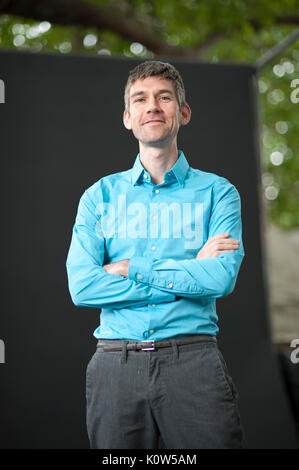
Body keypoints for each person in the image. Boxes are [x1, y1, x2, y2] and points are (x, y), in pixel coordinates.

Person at [66, 60, 246, 449]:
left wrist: (134, 269)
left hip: (194, 362)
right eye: (141, 99)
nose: (153, 106)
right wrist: (188, 273)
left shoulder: (219, 194)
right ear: (128, 118)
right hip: (116, 365)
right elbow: (82, 287)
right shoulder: (100, 197)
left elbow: (220, 279)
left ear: (183, 112)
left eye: (164, 97)